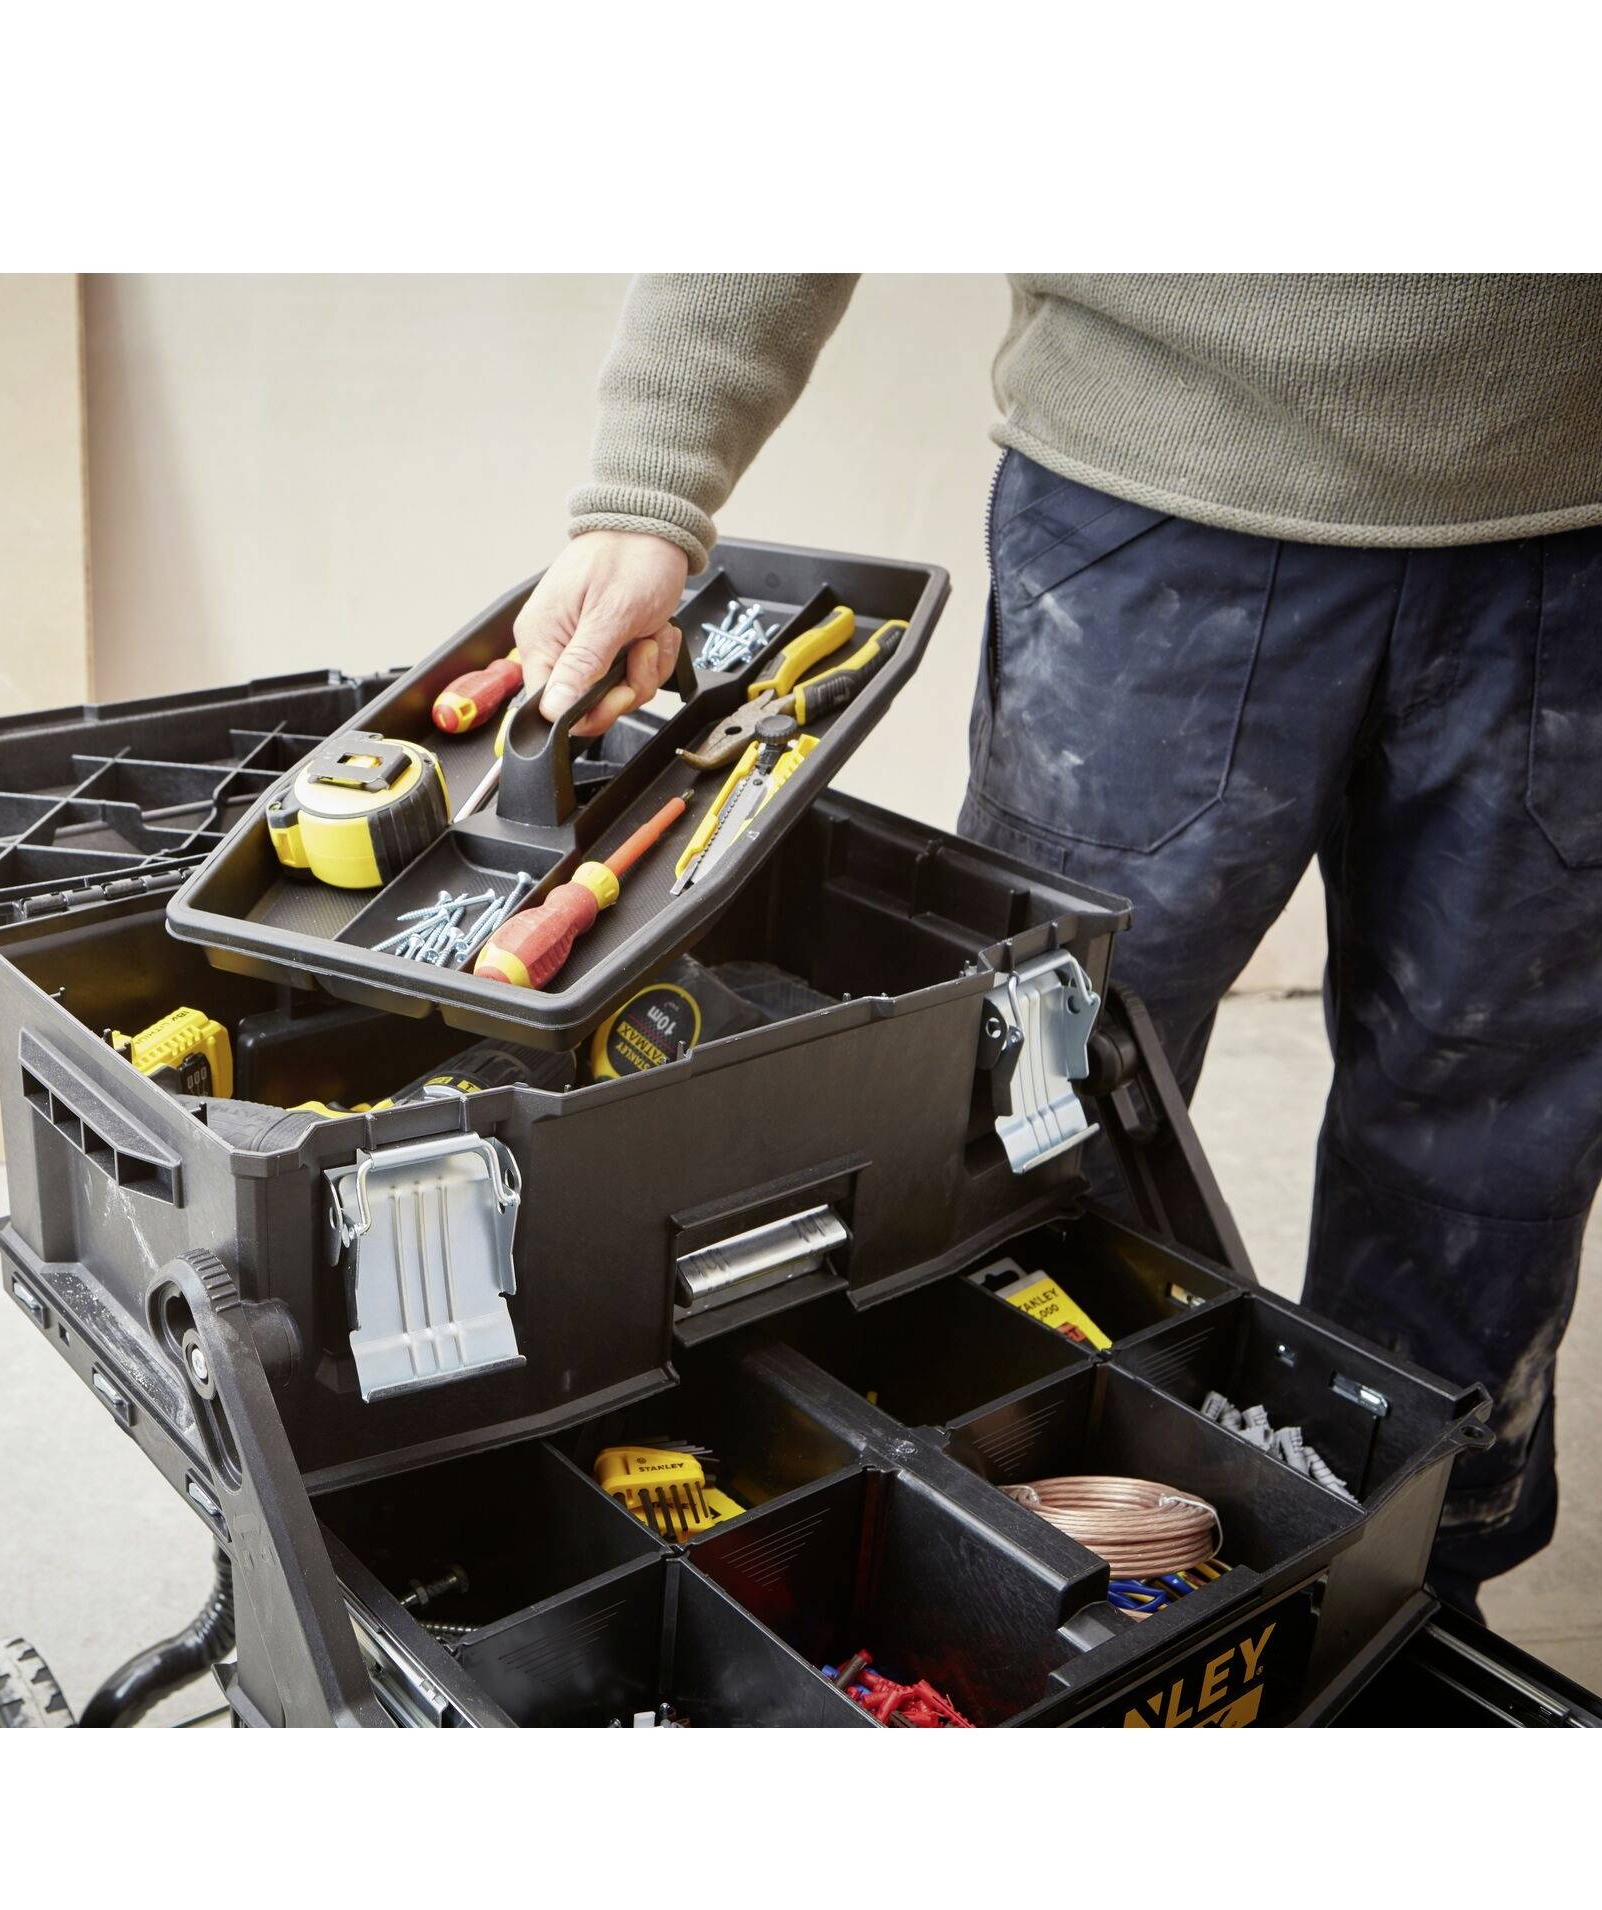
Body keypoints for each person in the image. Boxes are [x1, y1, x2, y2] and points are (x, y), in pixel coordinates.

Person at [514, 274, 1602, 1612]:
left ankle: (1408, 1595)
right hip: (1159, 512)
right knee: (1041, 1107)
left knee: (1489, 1129)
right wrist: (646, 489)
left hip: (1570, 527)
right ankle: (1042, 1574)